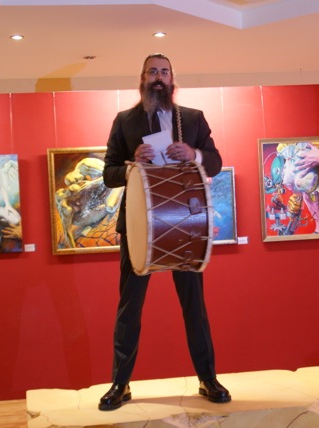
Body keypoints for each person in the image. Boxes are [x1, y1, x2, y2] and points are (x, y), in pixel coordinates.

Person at [100, 53, 230, 411]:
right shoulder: (125, 120)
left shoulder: (192, 118)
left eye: (164, 72)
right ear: (142, 78)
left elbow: (215, 162)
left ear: (172, 79)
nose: (159, 77)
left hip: (186, 224)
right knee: (129, 309)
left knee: (194, 307)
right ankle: (120, 384)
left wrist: (194, 153)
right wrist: (131, 163)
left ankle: (207, 379)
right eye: (152, 71)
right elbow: (108, 173)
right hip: (139, 227)